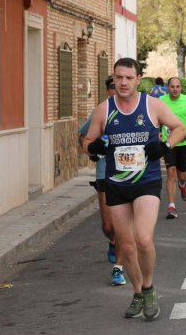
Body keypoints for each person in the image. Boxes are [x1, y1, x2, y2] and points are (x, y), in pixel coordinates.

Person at [83, 58, 186, 321]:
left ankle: (149, 287)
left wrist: (164, 146)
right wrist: (94, 148)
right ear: (114, 79)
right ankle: (138, 292)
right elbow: (87, 141)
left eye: (129, 77)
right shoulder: (104, 110)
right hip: (116, 184)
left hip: (146, 182)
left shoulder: (151, 105)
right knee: (126, 246)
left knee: (142, 239)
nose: (123, 82)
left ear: (138, 79)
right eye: (119, 77)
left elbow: (180, 128)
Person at [79, 76, 126, 286]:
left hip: (129, 174)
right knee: (108, 226)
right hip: (104, 172)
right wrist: (93, 150)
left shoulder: (136, 110)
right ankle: (113, 241)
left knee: (124, 225)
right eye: (113, 88)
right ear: (108, 91)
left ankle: (119, 268)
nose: (117, 91)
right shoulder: (102, 111)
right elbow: (83, 136)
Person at [160, 77, 186, 219]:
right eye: (172, 86)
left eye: (177, 87)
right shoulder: (162, 101)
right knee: (171, 172)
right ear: (167, 88)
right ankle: (171, 206)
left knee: (181, 174)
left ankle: (182, 184)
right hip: (168, 143)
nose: (175, 89)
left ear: (180, 88)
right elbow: (156, 120)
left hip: (184, 144)